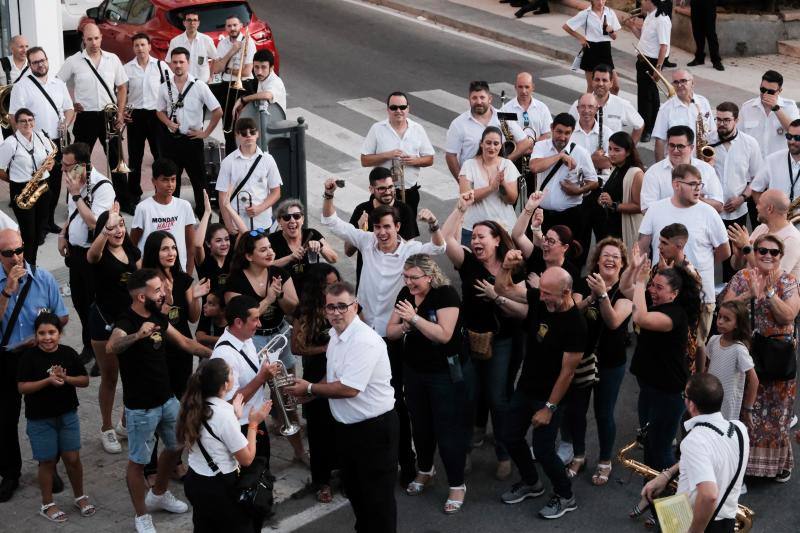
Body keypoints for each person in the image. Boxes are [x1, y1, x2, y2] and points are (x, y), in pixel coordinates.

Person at [286, 281, 398, 533]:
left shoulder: (364, 341)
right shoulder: (336, 336)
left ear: (354, 306)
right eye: (330, 307)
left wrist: (311, 389)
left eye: (342, 307)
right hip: (348, 431)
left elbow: (349, 388)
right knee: (357, 495)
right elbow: (334, 375)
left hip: (374, 432)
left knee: (378, 502)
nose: (336, 312)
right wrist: (312, 393)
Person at [105, 268, 211, 533]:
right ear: (141, 297)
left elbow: (186, 342)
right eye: (157, 290)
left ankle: (160, 493)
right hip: (140, 408)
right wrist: (137, 335)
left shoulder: (158, 317)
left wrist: (222, 352)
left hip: (166, 399)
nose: (163, 293)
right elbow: (111, 347)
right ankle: (142, 516)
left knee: (177, 445)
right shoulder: (127, 321)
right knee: (138, 463)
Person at [441, 192, 526, 480]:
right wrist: (459, 208)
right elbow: (445, 240)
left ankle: (503, 452)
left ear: (497, 240)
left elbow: (526, 306)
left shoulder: (513, 263)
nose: (475, 242)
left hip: (502, 341)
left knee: (498, 398)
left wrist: (496, 295)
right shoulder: (467, 262)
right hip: (470, 339)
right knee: (466, 396)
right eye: (473, 237)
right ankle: (464, 450)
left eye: (482, 237)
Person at [494, 258, 586, 519]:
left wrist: (549, 408)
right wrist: (506, 267)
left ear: (566, 293)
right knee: (510, 436)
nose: (542, 296)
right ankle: (531, 483)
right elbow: (503, 288)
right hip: (526, 387)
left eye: (548, 293)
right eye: (541, 291)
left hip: (551, 396)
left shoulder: (576, 324)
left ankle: (566, 495)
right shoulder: (539, 298)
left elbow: (567, 372)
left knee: (544, 450)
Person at [386, 255, 471, 513]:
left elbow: (445, 335)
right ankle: (425, 470)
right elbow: (390, 331)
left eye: (414, 278)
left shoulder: (445, 295)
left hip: (442, 373)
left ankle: (457, 484)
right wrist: (405, 327)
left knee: (446, 430)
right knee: (420, 426)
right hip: (414, 371)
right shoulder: (405, 293)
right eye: (406, 276)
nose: (408, 282)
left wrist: (413, 319)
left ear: (429, 277)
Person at [722, 234, 800, 482]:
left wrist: (767, 294)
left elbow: (788, 316)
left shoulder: (788, 282)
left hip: (776, 358)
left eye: (773, 252)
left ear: (780, 256)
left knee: (777, 414)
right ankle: (744, 464)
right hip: (747, 355)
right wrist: (749, 296)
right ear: (754, 253)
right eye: (762, 251)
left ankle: (777, 465)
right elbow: (726, 309)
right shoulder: (741, 278)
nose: (767, 255)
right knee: (746, 409)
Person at [0, 228, 69, 503]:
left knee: (46, 416)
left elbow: (62, 318)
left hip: (38, 355)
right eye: (8, 253)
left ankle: (48, 467)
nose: (16, 257)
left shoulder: (43, 278)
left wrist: (42, 334)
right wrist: (7, 291)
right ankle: (10, 473)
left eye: (19, 250)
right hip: (6, 357)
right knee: (5, 419)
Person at [642, 374, 749, 533]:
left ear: (691, 405)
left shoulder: (694, 440)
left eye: (684, 396)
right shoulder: (739, 429)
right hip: (725, 520)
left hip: (695, 521)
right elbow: (709, 457)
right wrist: (666, 475)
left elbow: (709, 495)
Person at [209, 295, 279, 532]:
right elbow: (229, 401)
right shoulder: (224, 355)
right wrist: (262, 378)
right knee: (248, 484)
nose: (259, 324)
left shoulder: (246, 339)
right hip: (241, 427)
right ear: (238, 322)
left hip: (255, 420)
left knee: (260, 476)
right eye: (255, 320)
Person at [639, 163, 730, 341]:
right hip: (664, 294)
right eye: (693, 184)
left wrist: (701, 265)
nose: (698, 189)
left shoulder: (709, 213)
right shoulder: (656, 209)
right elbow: (642, 247)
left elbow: (724, 252)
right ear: (676, 185)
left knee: (698, 346)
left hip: (700, 294)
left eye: (700, 184)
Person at [567, 238, 632, 486]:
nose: (610, 259)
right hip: (582, 358)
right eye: (606, 255)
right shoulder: (584, 284)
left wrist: (603, 295)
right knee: (577, 411)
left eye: (616, 256)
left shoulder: (626, 291)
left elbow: (614, 321)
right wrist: (589, 298)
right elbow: (572, 314)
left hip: (610, 362)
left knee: (604, 413)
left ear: (622, 263)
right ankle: (579, 455)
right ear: (597, 260)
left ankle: (605, 460)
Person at [178, 358, 271, 533]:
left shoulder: (193, 405)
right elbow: (247, 459)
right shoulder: (223, 414)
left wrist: (235, 416)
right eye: (231, 374)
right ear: (226, 384)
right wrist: (253, 424)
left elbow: (212, 435)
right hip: (219, 487)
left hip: (195, 481)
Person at [17, 313, 93, 523]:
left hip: (67, 415)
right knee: (47, 461)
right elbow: (22, 387)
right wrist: (47, 381)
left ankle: (80, 496)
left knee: (73, 459)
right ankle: (48, 503)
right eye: (42, 333)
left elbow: (85, 380)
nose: (47, 337)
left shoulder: (68, 353)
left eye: (52, 332)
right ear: (36, 335)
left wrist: (65, 378)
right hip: (40, 420)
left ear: (60, 333)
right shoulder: (29, 358)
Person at [628, 255, 702, 472]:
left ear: (674, 293)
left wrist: (641, 281)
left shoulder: (674, 315)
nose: (652, 290)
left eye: (658, 287)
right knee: (650, 444)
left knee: (660, 450)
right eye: (652, 285)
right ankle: (653, 498)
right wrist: (634, 270)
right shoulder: (652, 302)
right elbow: (625, 289)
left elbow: (639, 318)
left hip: (668, 393)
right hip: (649, 387)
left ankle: (676, 502)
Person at [57, 23, 130, 209]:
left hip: (109, 116)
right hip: (86, 117)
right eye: (89, 39)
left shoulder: (112, 59)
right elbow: (57, 84)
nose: (93, 42)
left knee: (116, 160)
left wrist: (120, 114)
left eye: (96, 38)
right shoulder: (74, 61)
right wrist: (70, 104)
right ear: (84, 39)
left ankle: (123, 200)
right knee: (78, 162)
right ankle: (73, 202)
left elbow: (122, 87)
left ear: (101, 38)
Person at [87, 206, 141, 453]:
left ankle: (124, 423)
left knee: (132, 373)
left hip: (128, 321)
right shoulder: (100, 253)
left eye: (121, 224)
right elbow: (91, 256)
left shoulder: (131, 250)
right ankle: (106, 428)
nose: (118, 230)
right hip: (103, 320)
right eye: (112, 226)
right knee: (110, 376)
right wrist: (105, 229)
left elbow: (142, 280)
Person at [57, 142, 115, 364]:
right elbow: (73, 215)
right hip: (76, 255)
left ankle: (104, 351)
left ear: (82, 166)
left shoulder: (103, 186)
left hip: (95, 256)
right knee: (80, 302)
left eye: (67, 165)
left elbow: (95, 223)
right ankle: (89, 344)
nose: (63, 169)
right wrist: (63, 233)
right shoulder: (75, 181)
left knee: (96, 305)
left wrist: (75, 196)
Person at [291, 264, 342, 503]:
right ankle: (322, 481)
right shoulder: (305, 311)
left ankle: (344, 473)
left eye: (335, 283)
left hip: (342, 374)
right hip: (315, 375)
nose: (333, 288)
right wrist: (327, 348)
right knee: (319, 433)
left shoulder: (345, 304)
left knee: (342, 429)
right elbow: (296, 347)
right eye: (327, 285)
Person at [9, 45, 74, 233]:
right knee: (38, 185)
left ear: (47, 60)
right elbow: (14, 116)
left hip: (57, 141)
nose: (41, 65)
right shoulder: (21, 87)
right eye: (36, 62)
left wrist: (66, 123)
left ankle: (48, 221)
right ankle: (38, 225)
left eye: (43, 60)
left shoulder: (58, 83)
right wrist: (23, 142)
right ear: (30, 65)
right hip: (35, 144)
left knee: (54, 183)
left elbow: (69, 109)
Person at [156, 47, 222, 216]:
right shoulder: (165, 87)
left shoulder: (199, 86)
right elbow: (159, 111)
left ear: (188, 63)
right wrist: (169, 123)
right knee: (172, 182)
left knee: (199, 182)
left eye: (181, 62)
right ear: (170, 64)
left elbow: (217, 111)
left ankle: (203, 215)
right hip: (171, 142)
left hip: (192, 141)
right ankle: (173, 215)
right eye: (175, 62)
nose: (178, 65)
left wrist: (205, 133)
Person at [707, 102, 763, 280]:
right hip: (710, 209)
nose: (721, 123)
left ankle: (731, 296)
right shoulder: (707, 140)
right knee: (706, 254)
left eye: (726, 120)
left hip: (736, 211)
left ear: (736, 120)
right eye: (718, 119)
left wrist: (742, 198)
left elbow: (757, 178)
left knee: (734, 258)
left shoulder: (750, 143)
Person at [361, 91, 435, 214]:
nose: (398, 111)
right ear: (388, 110)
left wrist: (415, 161)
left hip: (409, 192)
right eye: (393, 107)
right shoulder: (377, 129)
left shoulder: (417, 129)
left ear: (408, 109)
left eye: (402, 107)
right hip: (383, 193)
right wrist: (387, 155)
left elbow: (430, 159)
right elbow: (364, 160)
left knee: (407, 231)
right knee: (382, 230)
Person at [529, 113, 598, 243]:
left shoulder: (581, 153)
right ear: (551, 128)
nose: (562, 137)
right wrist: (560, 157)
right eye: (559, 132)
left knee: (567, 257)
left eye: (567, 133)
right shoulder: (541, 146)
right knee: (539, 253)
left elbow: (593, 182)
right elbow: (534, 167)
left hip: (569, 216)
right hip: (542, 215)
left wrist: (578, 191)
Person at [0, 108, 56, 265]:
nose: (28, 123)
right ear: (16, 124)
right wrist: (15, 181)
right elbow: (0, 169)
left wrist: (50, 163)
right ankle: (26, 266)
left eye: (30, 120)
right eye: (23, 121)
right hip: (22, 190)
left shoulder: (40, 136)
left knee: (39, 232)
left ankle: (32, 262)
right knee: (28, 234)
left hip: (43, 187)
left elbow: (50, 155)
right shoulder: (11, 143)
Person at [346, 167, 419, 284]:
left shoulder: (405, 210)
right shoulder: (362, 210)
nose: (388, 192)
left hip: (394, 279)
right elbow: (348, 251)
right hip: (367, 279)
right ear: (371, 189)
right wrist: (358, 231)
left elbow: (411, 251)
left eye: (390, 187)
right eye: (382, 189)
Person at [445, 80, 528, 180]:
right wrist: (462, 182)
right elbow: (450, 156)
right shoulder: (458, 124)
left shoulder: (503, 116)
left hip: (501, 180)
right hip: (473, 180)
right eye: (474, 98)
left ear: (490, 99)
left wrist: (506, 162)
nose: (479, 102)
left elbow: (525, 142)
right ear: (469, 100)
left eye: (482, 97)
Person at [124, 33, 169, 208]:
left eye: (143, 44)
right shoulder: (127, 68)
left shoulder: (160, 66)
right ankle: (134, 193)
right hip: (136, 115)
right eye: (137, 45)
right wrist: (123, 112)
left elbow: (170, 89)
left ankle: (162, 190)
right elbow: (121, 92)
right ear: (133, 48)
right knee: (135, 157)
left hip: (156, 115)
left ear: (149, 46)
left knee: (159, 155)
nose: (140, 48)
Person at [216, 117, 283, 232]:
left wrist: (259, 208)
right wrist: (228, 224)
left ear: (257, 134)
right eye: (243, 133)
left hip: (262, 223)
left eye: (252, 132)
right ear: (237, 135)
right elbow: (222, 196)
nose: (248, 135)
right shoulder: (228, 162)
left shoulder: (268, 159)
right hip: (237, 225)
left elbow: (276, 192)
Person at [131, 158, 197, 274]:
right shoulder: (143, 208)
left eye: (173, 179)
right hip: (151, 273)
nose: (170, 185)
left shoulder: (184, 206)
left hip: (178, 271)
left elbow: (191, 246)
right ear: (154, 181)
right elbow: (133, 245)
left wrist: (189, 274)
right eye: (165, 180)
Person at [640, 125, 724, 213]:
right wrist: (680, 203)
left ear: (691, 148)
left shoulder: (706, 169)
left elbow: (719, 206)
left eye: (680, 146)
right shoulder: (653, 172)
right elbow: (646, 209)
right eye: (672, 145)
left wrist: (697, 200)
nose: (675, 150)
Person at [698, 300, 758, 423]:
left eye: (727, 319)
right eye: (719, 316)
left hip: (727, 406)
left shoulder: (739, 349)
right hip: (710, 398)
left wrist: (748, 408)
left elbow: (754, 380)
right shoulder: (714, 340)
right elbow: (707, 367)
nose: (720, 321)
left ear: (737, 324)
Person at [458, 126, 520, 243]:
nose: (492, 147)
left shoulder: (507, 165)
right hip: (473, 228)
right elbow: (465, 196)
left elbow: (511, 199)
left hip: (502, 228)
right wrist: (491, 188)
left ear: (501, 146)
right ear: (481, 144)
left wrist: (502, 184)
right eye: (488, 143)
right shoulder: (469, 165)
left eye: (496, 143)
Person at [269, 198, 337, 297]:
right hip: (286, 294)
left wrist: (320, 246)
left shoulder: (312, 234)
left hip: (312, 293)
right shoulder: (272, 240)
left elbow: (333, 258)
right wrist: (290, 258)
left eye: (297, 216)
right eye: (287, 217)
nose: (292, 220)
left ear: (302, 219)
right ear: (280, 221)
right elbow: (265, 266)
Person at [728, 189, 800, 280]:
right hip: (750, 290)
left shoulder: (792, 239)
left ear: (770, 208)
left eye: (759, 203)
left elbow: (773, 279)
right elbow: (736, 266)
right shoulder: (761, 228)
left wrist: (746, 247)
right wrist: (739, 254)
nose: (756, 207)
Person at [625, 0, 671, 142]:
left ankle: (647, 129)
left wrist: (658, 68)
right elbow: (643, 38)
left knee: (646, 97)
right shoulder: (650, 15)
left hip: (652, 62)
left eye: (644, 0)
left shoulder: (662, 20)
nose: (641, 2)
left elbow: (664, 46)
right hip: (643, 59)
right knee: (649, 94)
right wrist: (631, 26)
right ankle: (653, 124)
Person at [511, 192, 582, 281]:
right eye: (546, 239)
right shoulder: (538, 257)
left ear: (565, 247)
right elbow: (517, 235)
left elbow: (566, 295)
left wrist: (539, 287)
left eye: (551, 241)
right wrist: (529, 208)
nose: (545, 244)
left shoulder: (571, 272)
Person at [212, 15, 257, 155]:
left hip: (244, 85)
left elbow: (246, 71)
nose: (232, 28)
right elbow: (216, 69)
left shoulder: (249, 42)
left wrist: (228, 69)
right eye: (229, 26)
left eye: (235, 25)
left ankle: (249, 154)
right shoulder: (223, 44)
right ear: (226, 28)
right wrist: (232, 51)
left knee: (246, 124)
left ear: (240, 26)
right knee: (228, 126)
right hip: (226, 86)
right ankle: (232, 155)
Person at [568, 64, 645, 143]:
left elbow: (639, 125)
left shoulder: (622, 105)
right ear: (592, 81)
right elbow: (567, 126)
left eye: (604, 80)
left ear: (611, 83)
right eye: (597, 80)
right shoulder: (579, 104)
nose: (600, 84)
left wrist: (628, 150)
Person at [596, 131, 644, 247]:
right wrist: (603, 200)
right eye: (610, 149)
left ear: (627, 152)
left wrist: (613, 204)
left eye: (617, 150)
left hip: (624, 231)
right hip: (609, 227)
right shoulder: (616, 169)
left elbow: (639, 206)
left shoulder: (636, 174)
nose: (611, 153)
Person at [653, 69, 713, 161]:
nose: (679, 85)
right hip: (677, 162)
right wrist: (660, 167)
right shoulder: (665, 109)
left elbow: (712, 131)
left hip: (700, 160)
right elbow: (660, 141)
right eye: (676, 82)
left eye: (683, 81)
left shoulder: (703, 102)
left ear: (692, 83)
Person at [562, 0, 622, 93]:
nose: (601, 2)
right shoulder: (586, 14)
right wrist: (581, 38)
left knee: (615, 87)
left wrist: (611, 31)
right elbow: (566, 26)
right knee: (592, 87)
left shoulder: (610, 12)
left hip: (605, 50)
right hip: (591, 50)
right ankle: (589, 105)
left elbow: (614, 37)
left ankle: (610, 106)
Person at [739, 70, 800, 159]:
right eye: (762, 90)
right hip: (754, 164)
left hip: (779, 164)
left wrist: (776, 109)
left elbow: (795, 132)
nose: (765, 94)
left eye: (771, 92)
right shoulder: (747, 107)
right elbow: (738, 137)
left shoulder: (789, 107)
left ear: (779, 91)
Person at [749, 118, 800, 203]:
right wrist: (766, 213)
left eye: (797, 138)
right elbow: (756, 189)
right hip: (778, 215)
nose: (791, 141)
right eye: (789, 136)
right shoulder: (772, 160)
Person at [194, 192, 233, 294]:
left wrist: (228, 207)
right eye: (218, 240)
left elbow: (245, 233)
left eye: (227, 239)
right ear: (208, 244)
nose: (224, 243)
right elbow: (197, 245)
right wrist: (207, 213)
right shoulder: (204, 260)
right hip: (210, 307)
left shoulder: (232, 256)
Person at [499, 72, 552, 144]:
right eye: (520, 87)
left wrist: (534, 146)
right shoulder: (505, 110)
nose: (523, 91)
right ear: (515, 87)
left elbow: (548, 133)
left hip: (538, 151)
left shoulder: (542, 108)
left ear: (533, 87)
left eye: (527, 87)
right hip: (516, 152)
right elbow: (504, 135)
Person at [166, 10, 217, 83]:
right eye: (189, 20)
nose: (192, 23)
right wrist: (176, 77)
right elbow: (169, 62)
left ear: (198, 23)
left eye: (195, 20)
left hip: (203, 84)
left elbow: (215, 58)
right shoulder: (175, 41)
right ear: (184, 23)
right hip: (183, 85)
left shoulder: (207, 40)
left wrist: (211, 77)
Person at [233, 49, 286, 118]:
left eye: (263, 67)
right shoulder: (260, 79)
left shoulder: (275, 81)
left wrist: (243, 100)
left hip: (275, 123)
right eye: (256, 67)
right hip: (261, 121)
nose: (259, 72)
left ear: (271, 68)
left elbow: (267, 95)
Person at [1, 35, 30, 138]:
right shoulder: (2, 64)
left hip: (29, 116)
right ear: (11, 48)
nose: (25, 50)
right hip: (7, 118)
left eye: (26, 46)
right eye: (21, 47)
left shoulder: (32, 65)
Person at [684, 0, 723, 70]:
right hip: (696, 4)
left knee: (711, 32)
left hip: (709, 4)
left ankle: (716, 60)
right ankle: (699, 58)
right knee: (697, 32)